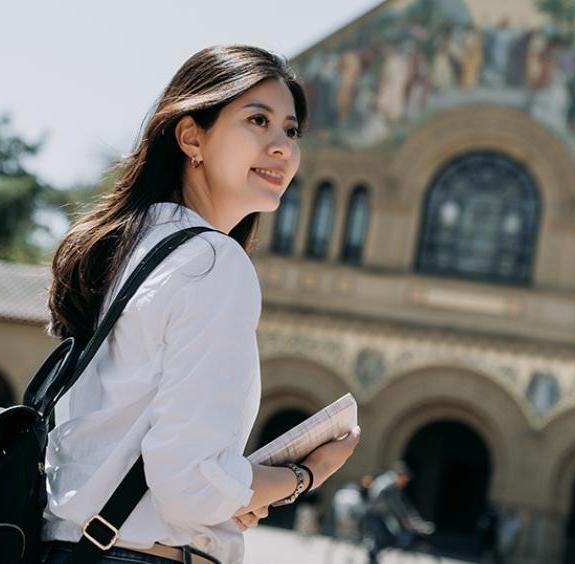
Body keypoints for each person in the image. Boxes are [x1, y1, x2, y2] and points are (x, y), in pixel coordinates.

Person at [41, 45, 362, 564]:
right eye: (257, 120)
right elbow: (189, 487)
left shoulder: (131, 245)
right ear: (192, 137)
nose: (282, 146)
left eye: (291, 129)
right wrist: (305, 476)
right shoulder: (214, 262)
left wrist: (236, 488)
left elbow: (148, 456)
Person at [364, 461, 434, 563]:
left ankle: (373, 555)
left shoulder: (387, 479)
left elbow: (401, 504)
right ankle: (372, 555)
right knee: (387, 537)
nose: (405, 483)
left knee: (387, 536)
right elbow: (397, 506)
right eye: (405, 479)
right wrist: (405, 519)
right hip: (374, 515)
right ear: (400, 475)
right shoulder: (391, 485)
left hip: (377, 514)